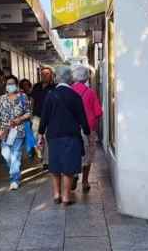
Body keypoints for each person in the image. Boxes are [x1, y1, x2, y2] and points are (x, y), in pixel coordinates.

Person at [38, 66, 90, 206]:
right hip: (71, 136)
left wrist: (41, 133)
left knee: (55, 164)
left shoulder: (51, 95)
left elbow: (44, 117)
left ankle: (56, 195)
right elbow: (82, 118)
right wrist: (87, 131)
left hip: (53, 135)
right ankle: (66, 197)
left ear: (57, 78)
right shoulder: (75, 96)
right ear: (70, 78)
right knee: (68, 167)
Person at [0, 75, 32, 190]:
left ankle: (14, 179)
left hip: (18, 130)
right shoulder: (1, 99)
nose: (10, 86)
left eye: (12, 83)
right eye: (8, 84)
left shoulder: (23, 97)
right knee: (6, 155)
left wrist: (19, 119)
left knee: (15, 154)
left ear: (16, 85)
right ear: (5, 86)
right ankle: (15, 170)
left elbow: (29, 113)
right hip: (5, 132)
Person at [71, 65, 104, 193]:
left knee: (73, 153)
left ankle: (74, 175)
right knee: (88, 155)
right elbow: (98, 112)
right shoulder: (90, 92)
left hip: (72, 129)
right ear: (86, 78)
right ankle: (85, 181)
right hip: (88, 129)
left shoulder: (69, 91)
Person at [31, 66, 56, 168]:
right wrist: (31, 115)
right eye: (43, 74)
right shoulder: (36, 86)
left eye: (47, 74)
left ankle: (46, 161)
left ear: (51, 76)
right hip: (37, 117)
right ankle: (41, 155)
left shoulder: (54, 87)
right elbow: (32, 100)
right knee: (36, 138)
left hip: (49, 118)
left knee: (47, 139)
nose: (44, 76)